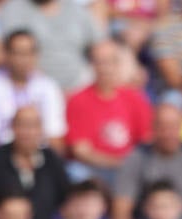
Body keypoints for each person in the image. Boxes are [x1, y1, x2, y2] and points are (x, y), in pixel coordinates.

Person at [65, 40, 153, 190]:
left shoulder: (135, 98)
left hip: (129, 168)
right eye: (99, 62)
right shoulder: (78, 100)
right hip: (93, 169)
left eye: (110, 62)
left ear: (118, 65)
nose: (105, 68)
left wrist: (129, 165)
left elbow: (146, 141)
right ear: (91, 65)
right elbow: (81, 151)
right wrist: (118, 163)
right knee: (76, 172)